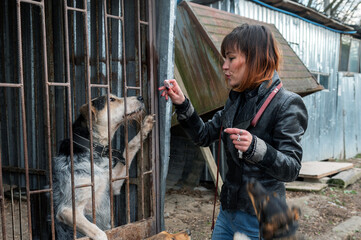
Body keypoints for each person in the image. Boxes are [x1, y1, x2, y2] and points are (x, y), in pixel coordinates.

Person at [158, 24, 308, 240]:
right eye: (224, 59)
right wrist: (182, 103)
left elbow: (292, 168)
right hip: (227, 214)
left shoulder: (287, 104)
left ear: (255, 58)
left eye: (231, 58)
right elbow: (204, 135)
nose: (224, 66)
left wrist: (257, 148)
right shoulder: (236, 99)